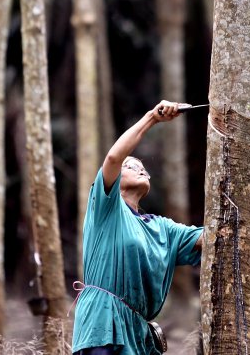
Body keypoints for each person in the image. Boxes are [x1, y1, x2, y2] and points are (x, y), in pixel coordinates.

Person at [71, 100, 200, 355]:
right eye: (130, 166)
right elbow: (113, 157)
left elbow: (211, 238)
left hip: (139, 334)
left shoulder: (163, 228)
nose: (139, 169)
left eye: (142, 168)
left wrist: (248, 214)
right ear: (116, 179)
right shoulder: (106, 207)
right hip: (102, 325)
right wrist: (152, 117)